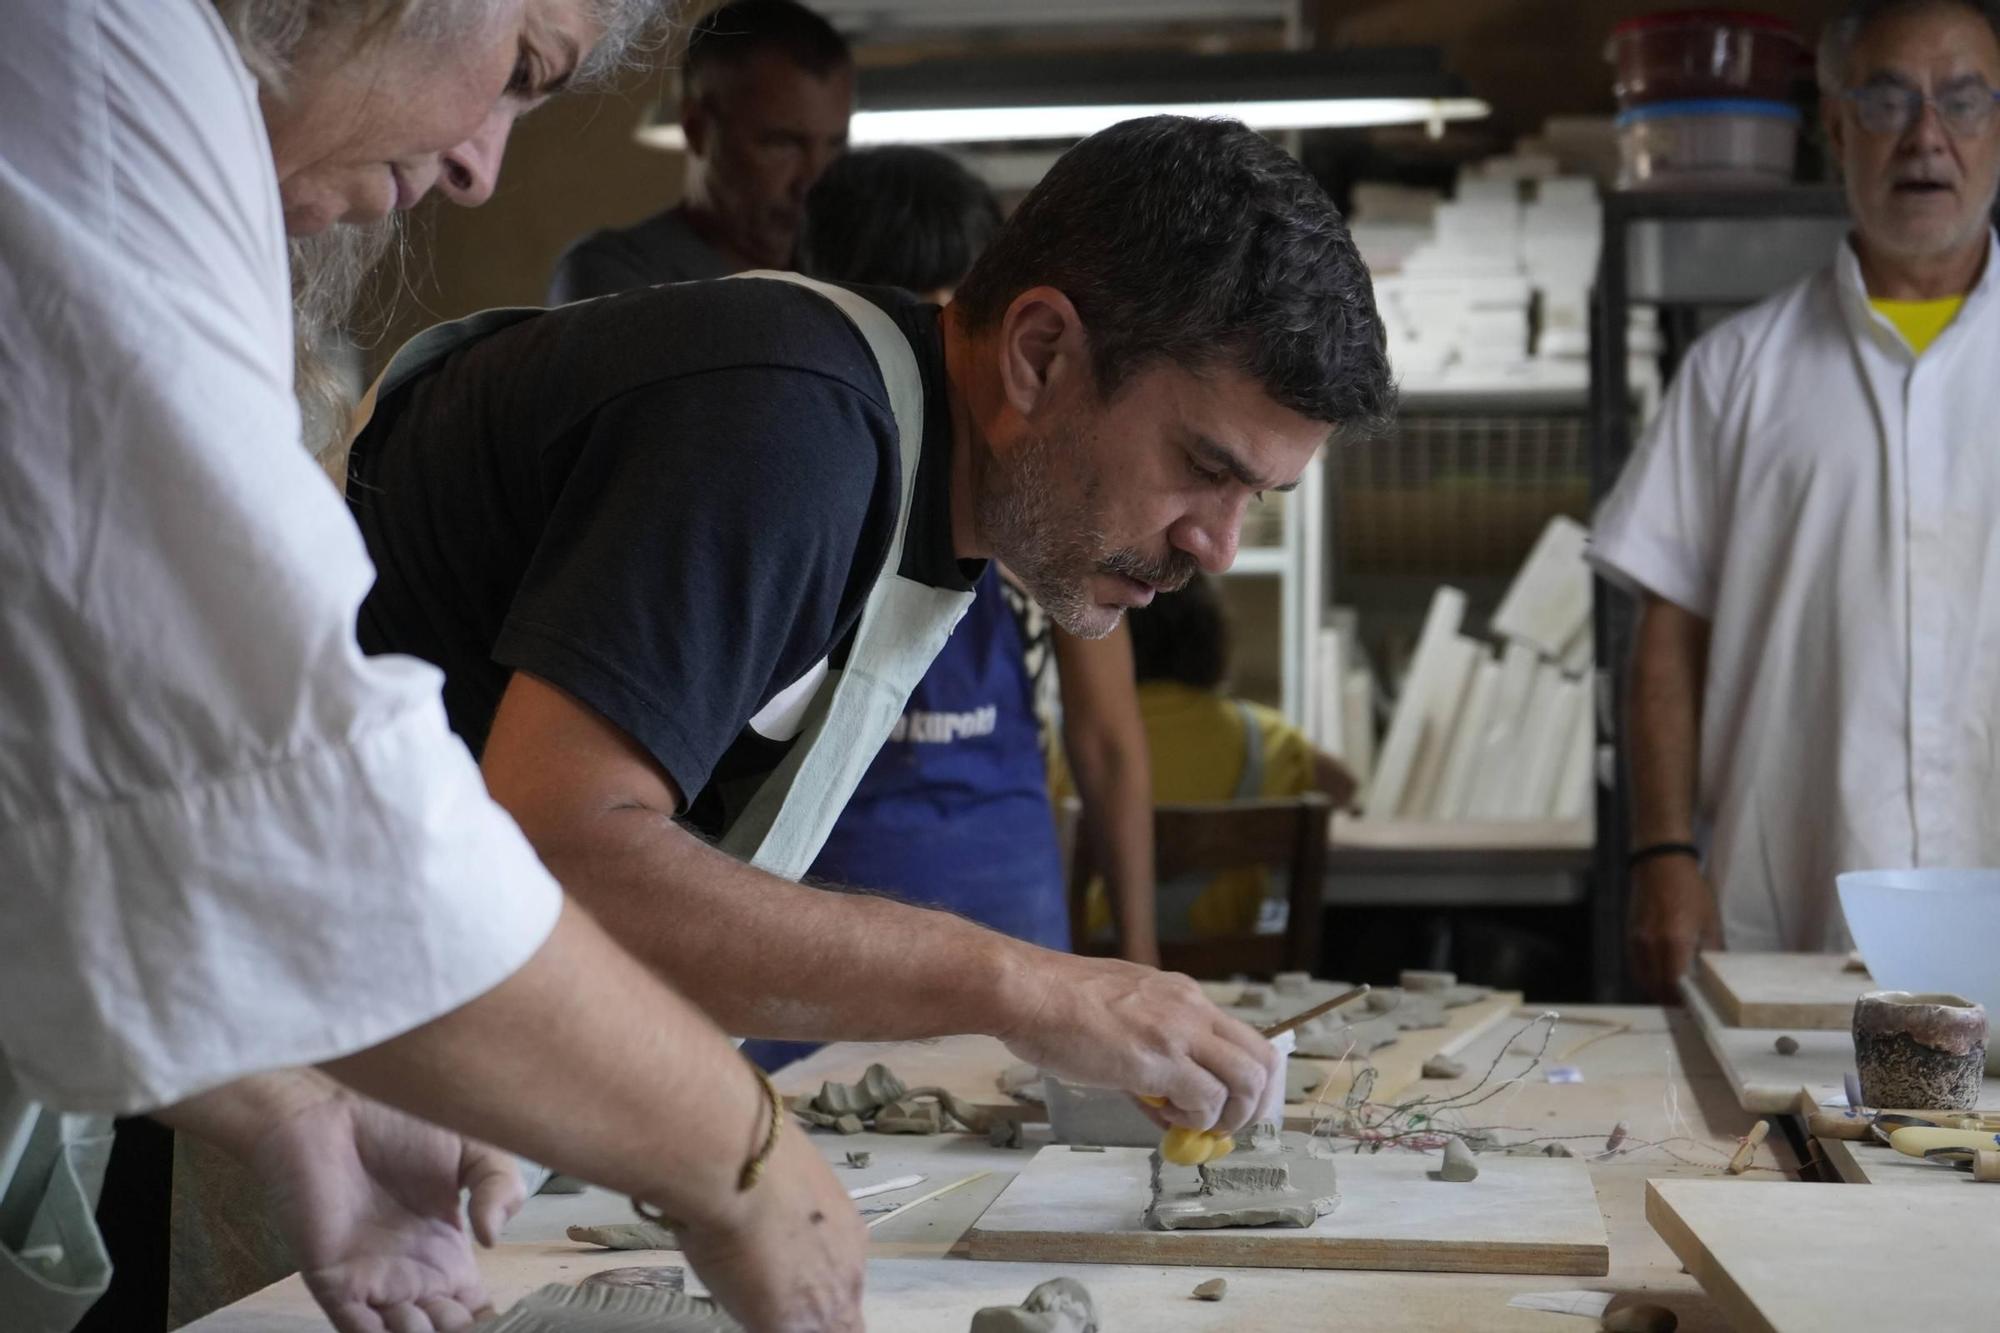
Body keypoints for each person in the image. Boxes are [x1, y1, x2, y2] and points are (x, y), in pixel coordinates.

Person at [2, 4, 864, 1331]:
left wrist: (288, 1101)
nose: (479, 168)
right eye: (519, 72)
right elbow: (300, 807)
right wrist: (743, 1158)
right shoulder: (109, 61)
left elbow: (55, 835)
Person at [345, 114, 1395, 1135]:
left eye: (1254, 498)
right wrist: (1022, 983)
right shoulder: (789, 423)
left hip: (425, 1067)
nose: (1214, 545)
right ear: (1037, 353)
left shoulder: (923, 481)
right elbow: (558, 846)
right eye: (1203, 468)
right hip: (300, 1051)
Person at [1592, 0, 2000, 1003]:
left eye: (1960, 101)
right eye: (1885, 99)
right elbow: (1664, 632)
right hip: (1787, 926)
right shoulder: (1734, 373)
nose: (1924, 137)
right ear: (1833, 127)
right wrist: (1660, 852)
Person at [738, 148, 1157, 1073]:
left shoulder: (1042, 501)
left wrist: (1138, 961)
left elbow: (1111, 743)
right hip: (815, 957)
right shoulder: (797, 491)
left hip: (1013, 916)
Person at [1064, 575, 1358, 940]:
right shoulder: (1267, 737)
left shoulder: (1074, 741)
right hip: (1238, 978)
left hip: (1104, 969)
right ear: (1212, 638)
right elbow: (1345, 788)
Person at [547, 0, 852, 300]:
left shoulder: (851, 267)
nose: (814, 179)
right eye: (782, 144)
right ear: (697, 129)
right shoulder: (621, 274)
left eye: (834, 146)